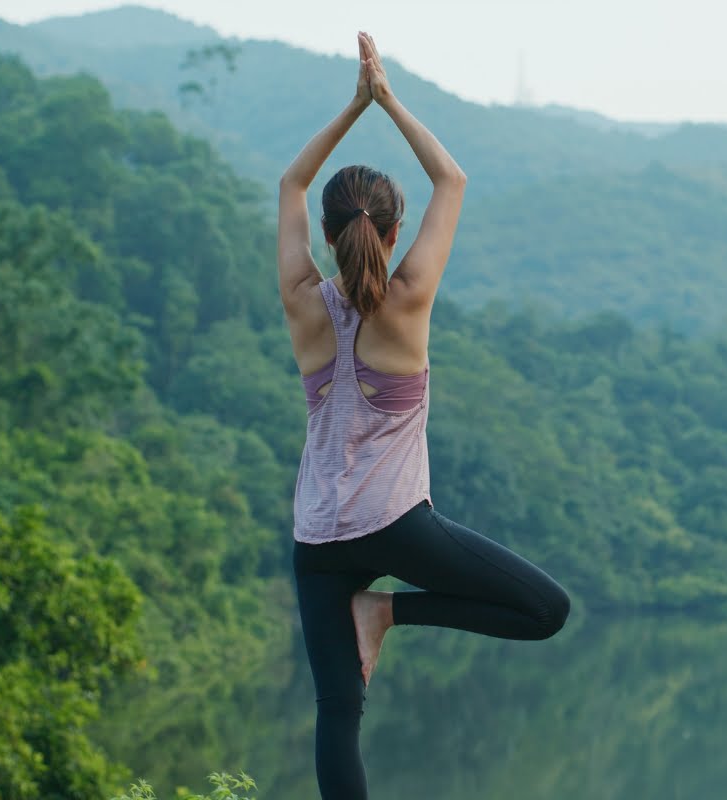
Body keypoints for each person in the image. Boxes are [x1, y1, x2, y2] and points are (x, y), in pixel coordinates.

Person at [277, 32, 571, 800]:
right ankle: (389, 612)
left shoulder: (303, 301)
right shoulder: (408, 300)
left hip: (316, 536)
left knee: (338, 714)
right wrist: (386, 97)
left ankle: (376, 610)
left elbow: (289, 184)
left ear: (334, 236)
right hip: (394, 523)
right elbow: (453, 177)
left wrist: (350, 108)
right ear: (394, 232)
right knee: (546, 610)